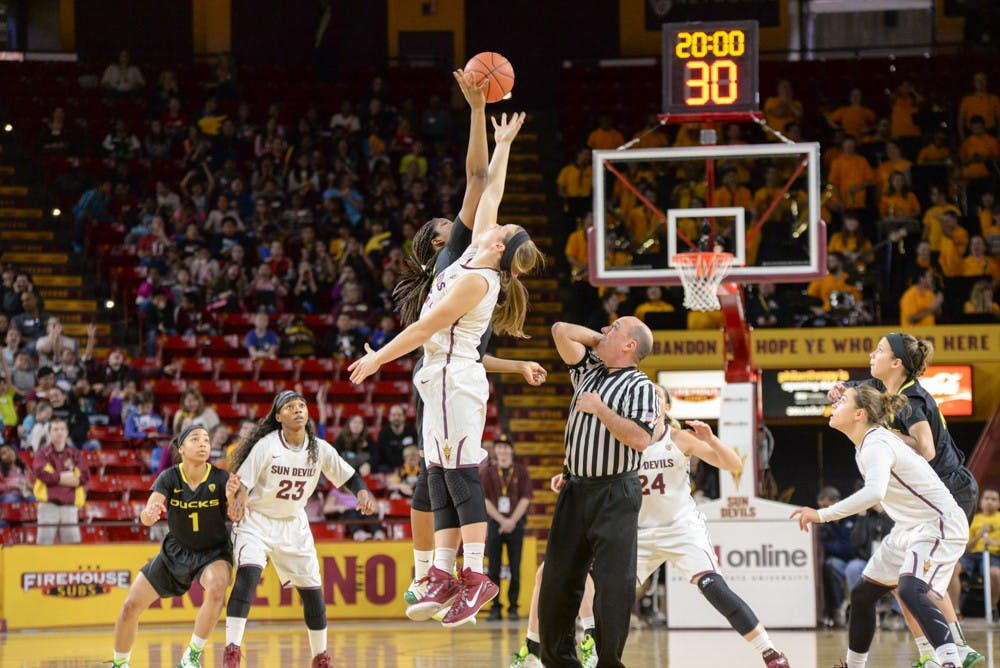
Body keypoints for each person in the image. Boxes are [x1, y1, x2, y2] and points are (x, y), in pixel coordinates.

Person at [350, 111, 543, 627]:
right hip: (439, 378)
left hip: (452, 376)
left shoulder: (476, 280)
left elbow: (421, 330)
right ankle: (439, 570)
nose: (495, 218)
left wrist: (376, 359)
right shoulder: (477, 254)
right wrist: (503, 143)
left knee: (457, 474)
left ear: (500, 244)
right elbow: (490, 188)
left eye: (502, 226)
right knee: (437, 470)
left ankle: (476, 576)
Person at [829, 334, 983, 667]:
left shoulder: (911, 397)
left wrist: (885, 434)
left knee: (920, 579)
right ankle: (933, 652)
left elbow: (926, 448)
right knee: (902, 577)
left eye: (880, 350)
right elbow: (860, 389)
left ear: (897, 363)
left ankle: (954, 648)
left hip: (948, 488)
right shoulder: (888, 391)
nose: (872, 354)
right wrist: (841, 387)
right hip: (924, 496)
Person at [792, 384, 970, 668]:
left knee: (911, 589)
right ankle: (854, 664)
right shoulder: (867, 442)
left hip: (938, 524)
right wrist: (847, 391)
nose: (835, 405)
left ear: (859, 414)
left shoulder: (876, 443)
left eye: (843, 402)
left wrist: (822, 514)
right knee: (863, 593)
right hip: (907, 529)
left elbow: (873, 493)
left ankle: (950, 661)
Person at [634, 384, 790, 667]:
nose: (647, 399)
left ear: (666, 408)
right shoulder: (624, 440)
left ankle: (770, 652)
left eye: (655, 396)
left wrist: (712, 439)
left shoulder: (680, 439)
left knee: (712, 586)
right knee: (609, 595)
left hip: (681, 529)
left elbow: (733, 465)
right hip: (640, 533)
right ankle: (593, 654)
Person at [223, 391, 377, 668]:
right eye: (290, 407)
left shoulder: (319, 448)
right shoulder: (267, 445)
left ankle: (320, 657)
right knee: (248, 576)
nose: (298, 410)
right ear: (278, 416)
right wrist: (241, 496)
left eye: (302, 405)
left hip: (294, 524)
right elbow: (243, 483)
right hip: (257, 520)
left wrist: (363, 492)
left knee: (313, 596)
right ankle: (232, 651)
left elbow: (349, 476)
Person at [540, 317, 660, 668]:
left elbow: (640, 438)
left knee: (612, 586)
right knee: (557, 580)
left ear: (630, 346)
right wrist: (603, 340)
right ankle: (559, 661)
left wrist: (602, 410)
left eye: (615, 328)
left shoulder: (641, 385)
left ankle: (609, 663)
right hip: (575, 489)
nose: (606, 328)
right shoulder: (589, 371)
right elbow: (560, 330)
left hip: (615, 492)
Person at [108, 426, 241, 668]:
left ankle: (190, 657)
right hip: (175, 551)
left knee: (218, 587)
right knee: (130, 607)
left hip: (213, 553)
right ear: (181, 448)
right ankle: (119, 664)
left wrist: (233, 499)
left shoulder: (221, 478)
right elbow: (147, 516)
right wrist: (149, 514)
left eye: (206, 440)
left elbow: (236, 515)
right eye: (195, 439)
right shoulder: (169, 477)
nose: (203, 444)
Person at [483, 434, 532, 622]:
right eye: (499, 447)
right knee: (493, 567)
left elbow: (525, 498)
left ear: (511, 450)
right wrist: (502, 521)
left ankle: (513, 607)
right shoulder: (488, 472)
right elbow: (485, 499)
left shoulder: (521, 471)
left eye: (506, 447)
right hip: (495, 523)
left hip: (516, 523)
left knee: (515, 567)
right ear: (495, 451)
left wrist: (511, 521)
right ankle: (495, 607)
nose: (503, 450)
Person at [32, 417, 88, 544]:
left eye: (62, 429)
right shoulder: (42, 454)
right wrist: (67, 477)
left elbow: (84, 477)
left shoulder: (76, 454)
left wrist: (55, 477)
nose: (59, 432)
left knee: (71, 549)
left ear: (67, 432)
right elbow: (42, 474)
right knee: (44, 547)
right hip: (48, 505)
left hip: (70, 506)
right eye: (55, 429)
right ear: (49, 432)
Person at [953, 488, 999, 622]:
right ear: (980, 502)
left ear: (998, 503)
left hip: (993, 555)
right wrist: (979, 535)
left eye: (993, 499)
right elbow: (965, 547)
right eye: (986, 498)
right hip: (972, 556)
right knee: (953, 569)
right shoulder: (973, 519)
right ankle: (955, 611)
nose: (989, 502)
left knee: (995, 573)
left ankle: (992, 608)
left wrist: (993, 542)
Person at [816, 486, 858, 628]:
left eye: (827, 506)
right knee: (830, 564)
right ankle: (838, 608)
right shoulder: (824, 522)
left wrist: (830, 545)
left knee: (853, 567)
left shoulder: (853, 515)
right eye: (822, 508)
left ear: (837, 502)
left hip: (857, 559)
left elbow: (851, 547)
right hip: (840, 562)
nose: (825, 510)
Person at [372, 404, 418, 473]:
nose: (396, 417)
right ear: (389, 417)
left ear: (404, 417)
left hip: (409, 466)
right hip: (389, 467)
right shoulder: (383, 433)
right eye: (393, 415)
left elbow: (416, 450)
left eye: (399, 415)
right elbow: (382, 454)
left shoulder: (412, 431)